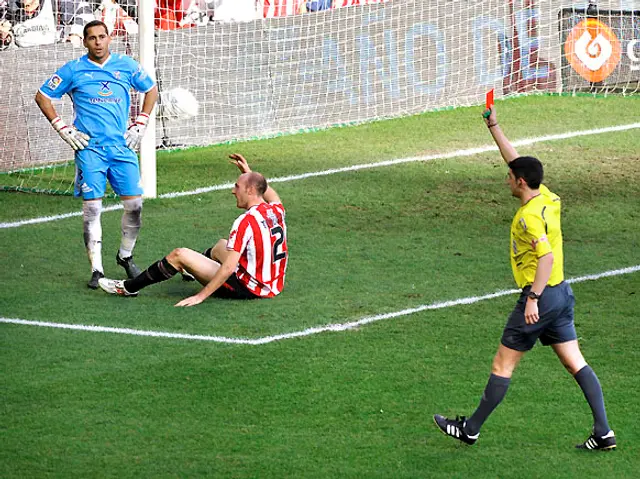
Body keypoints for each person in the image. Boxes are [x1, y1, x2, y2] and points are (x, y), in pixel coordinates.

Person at [433, 106, 615, 451]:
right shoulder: (547, 197)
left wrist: (532, 298)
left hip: (541, 298)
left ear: (520, 183)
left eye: (510, 177)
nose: (507, 179)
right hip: (562, 294)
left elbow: (544, 257)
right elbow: (516, 161)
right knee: (575, 362)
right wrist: (494, 128)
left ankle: (470, 429)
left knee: (503, 363)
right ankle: (604, 432)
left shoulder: (529, 218)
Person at [35, 19, 159, 289]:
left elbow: (151, 89)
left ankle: (125, 256)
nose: (98, 42)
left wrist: (141, 123)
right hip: (90, 149)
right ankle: (97, 270)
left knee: (135, 206)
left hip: (122, 147)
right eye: (92, 38)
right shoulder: (74, 70)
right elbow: (42, 95)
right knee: (92, 208)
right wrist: (63, 129)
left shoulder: (126, 66)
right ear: (84, 41)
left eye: (102, 37)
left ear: (109, 38)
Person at [98, 154, 289, 307]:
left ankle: (128, 287)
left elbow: (229, 267)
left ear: (249, 191)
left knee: (179, 255)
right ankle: (191, 270)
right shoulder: (276, 210)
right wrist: (249, 172)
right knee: (220, 246)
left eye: (237, 186)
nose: (233, 191)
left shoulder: (245, 222)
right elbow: (269, 193)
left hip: (248, 287)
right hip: (272, 284)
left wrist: (200, 296)